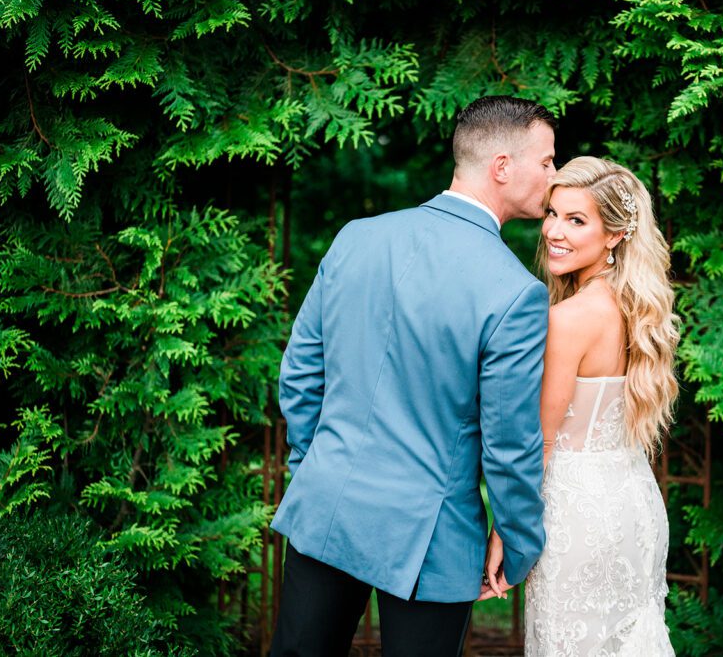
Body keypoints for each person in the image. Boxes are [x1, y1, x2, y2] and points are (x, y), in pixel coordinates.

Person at [269, 96, 557, 657]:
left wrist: (315, 468)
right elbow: (509, 443)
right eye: (546, 160)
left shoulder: (357, 237)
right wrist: (518, 543)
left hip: (328, 502)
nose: (554, 173)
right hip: (432, 534)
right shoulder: (516, 293)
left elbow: (301, 375)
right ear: (502, 167)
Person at [484, 156, 680, 655]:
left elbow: (541, 443)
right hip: (634, 507)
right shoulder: (639, 309)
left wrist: (506, 531)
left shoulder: (567, 319)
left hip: (575, 518)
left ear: (614, 234)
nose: (554, 231)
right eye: (552, 213)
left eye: (577, 220)